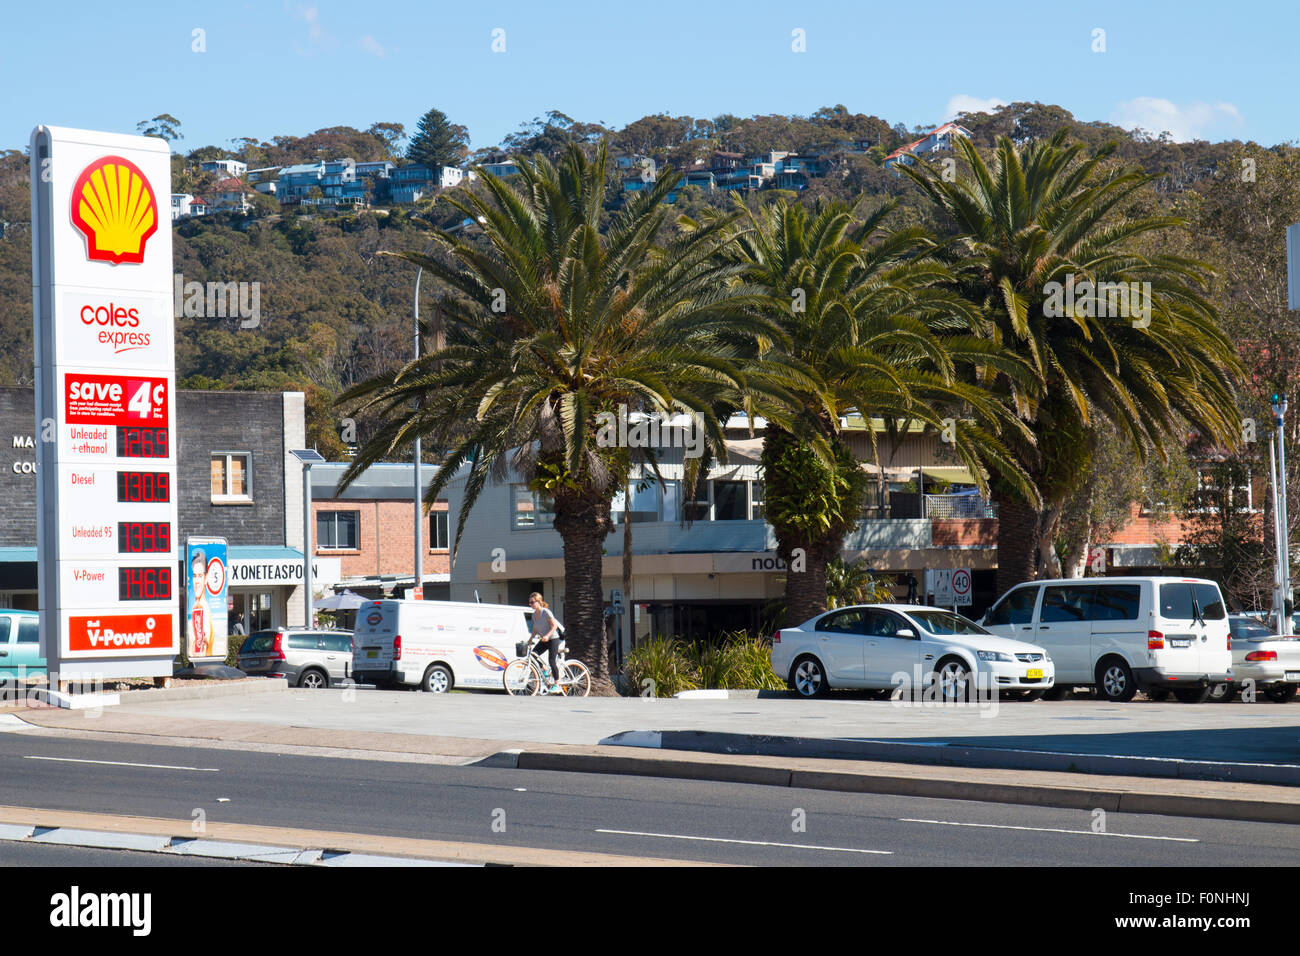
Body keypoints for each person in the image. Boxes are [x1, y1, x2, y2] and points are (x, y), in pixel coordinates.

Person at [528, 593, 563, 694]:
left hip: (552, 639)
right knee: (533, 654)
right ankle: (546, 670)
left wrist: (547, 636)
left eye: (532, 602)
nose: (531, 604)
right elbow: (535, 629)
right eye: (529, 603)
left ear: (539, 602)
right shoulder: (534, 615)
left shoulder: (546, 612)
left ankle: (557, 685)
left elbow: (554, 626)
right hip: (544, 639)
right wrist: (530, 638)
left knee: (552, 660)